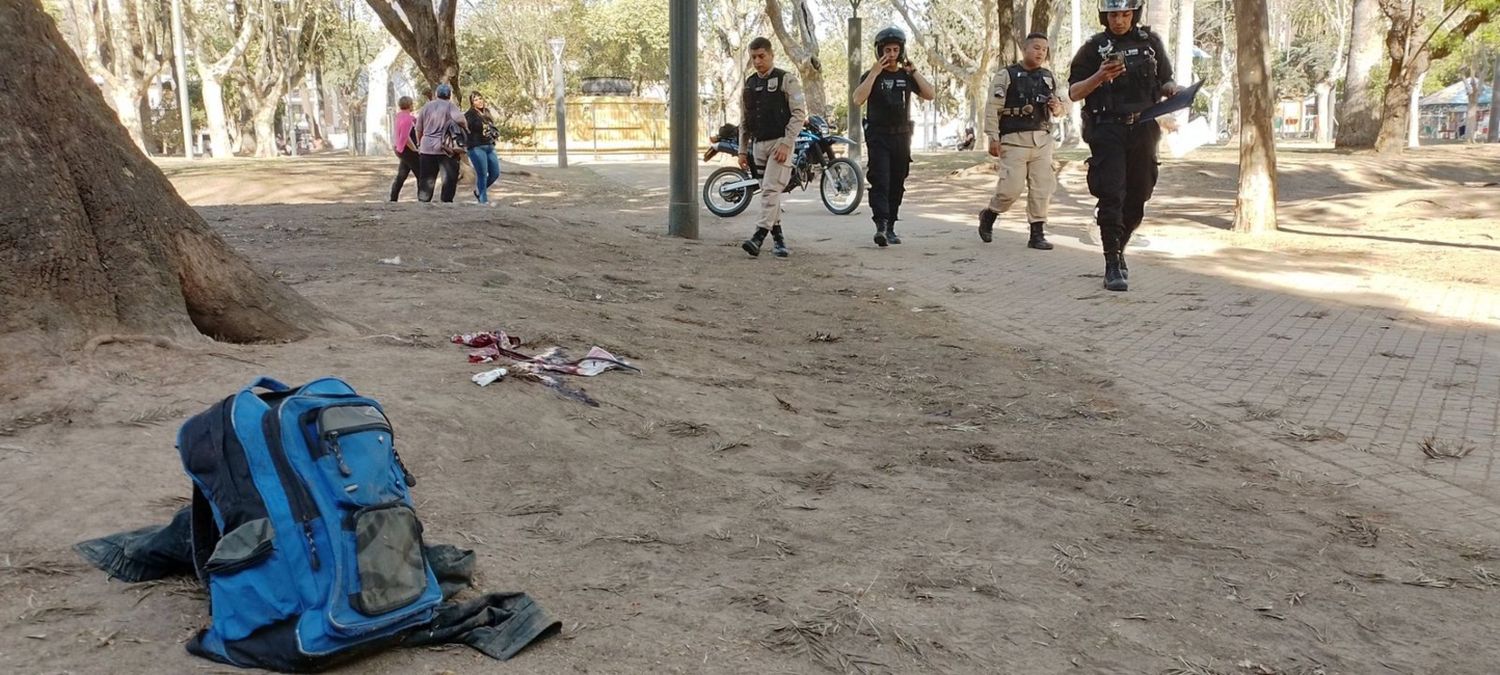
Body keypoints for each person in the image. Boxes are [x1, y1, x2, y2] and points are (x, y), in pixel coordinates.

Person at [1068, 0, 1180, 291]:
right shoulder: (1093, 48)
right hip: (1107, 129)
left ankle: (1120, 247)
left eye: (1125, 14)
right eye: (1113, 14)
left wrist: (1174, 90)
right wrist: (1100, 76)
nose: (1119, 20)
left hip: (1144, 128)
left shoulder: (1150, 43)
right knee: (1111, 194)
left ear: (1134, 14)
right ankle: (1112, 265)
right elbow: (1074, 91)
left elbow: (1165, 80)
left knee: (1139, 194)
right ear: (1105, 16)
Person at [977, 32, 1067, 250]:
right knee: (1010, 188)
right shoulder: (1006, 75)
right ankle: (989, 214)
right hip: (1014, 140)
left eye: (1044, 49)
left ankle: (1037, 233)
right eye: (1036, 47)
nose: (1040, 52)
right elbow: (993, 108)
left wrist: (1058, 107)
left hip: (1042, 141)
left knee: (1041, 188)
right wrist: (993, 137)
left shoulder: (1048, 76)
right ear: (1025, 49)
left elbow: (1061, 109)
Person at [853, 27, 934, 247]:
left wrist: (914, 71)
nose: (891, 54)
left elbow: (930, 94)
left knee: (897, 182)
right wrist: (873, 73)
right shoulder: (871, 75)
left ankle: (891, 227)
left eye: (895, 49)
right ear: (879, 51)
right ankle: (880, 225)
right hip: (878, 137)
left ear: (902, 50)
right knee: (881, 180)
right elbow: (857, 99)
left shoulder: (905, 75)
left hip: (901, 137)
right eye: (887, 50)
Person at [738, 36, 808, 258]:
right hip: (758, 145)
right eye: (754, 57)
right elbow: (744, 119)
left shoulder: (786, 79)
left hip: (779, 143)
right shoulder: (750, 83)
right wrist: (742, 149)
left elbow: (799, 114)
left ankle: (758, 236)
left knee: (770, 190)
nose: (758, 61)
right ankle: (779, 240)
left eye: (762, 56)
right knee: (770, 195)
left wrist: (787, 143)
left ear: (771, 55)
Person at [417, 83, 467, 203]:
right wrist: (465, 129)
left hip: (427, 148)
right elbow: (461, 120)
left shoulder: (426, 107)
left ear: (436, 94)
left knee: (426, 178)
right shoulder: (450, 106)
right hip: (446, 149)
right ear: (449, 95)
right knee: (449, 178)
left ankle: (423, 201)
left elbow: (418, 128)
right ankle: (446, 203)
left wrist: (419, 143)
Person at [465, 92, 502, 204]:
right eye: (476, 100)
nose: (479, 101)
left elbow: (491, 127)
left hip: (489, 146)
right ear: (472, 102)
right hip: (476, 147)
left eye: (480, 98)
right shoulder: (469, 115)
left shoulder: (486, 112)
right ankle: (483, 201)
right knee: (482, 174)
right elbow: (466, 130)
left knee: (495, 173)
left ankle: (479, 191)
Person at [389, 96, 420, 201]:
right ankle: (423, 198)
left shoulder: (399, 116)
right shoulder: (408, 119)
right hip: (408, 150)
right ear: (410, 105)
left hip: (399, 149)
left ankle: (393, 198)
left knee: (402, 174)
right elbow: (406, 137)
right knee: (421, 175)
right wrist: (415, 149)